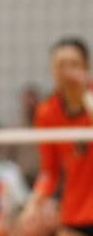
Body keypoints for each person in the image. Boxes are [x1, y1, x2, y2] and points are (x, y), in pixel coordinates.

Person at [21, 37, 93, 235]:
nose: (67, 72)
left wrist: (85, 95)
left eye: (74, 65)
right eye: (61, 66)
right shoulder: (47, 113)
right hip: (76, 213)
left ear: (86, 68)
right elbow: (49, 171)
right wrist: (33, 203)